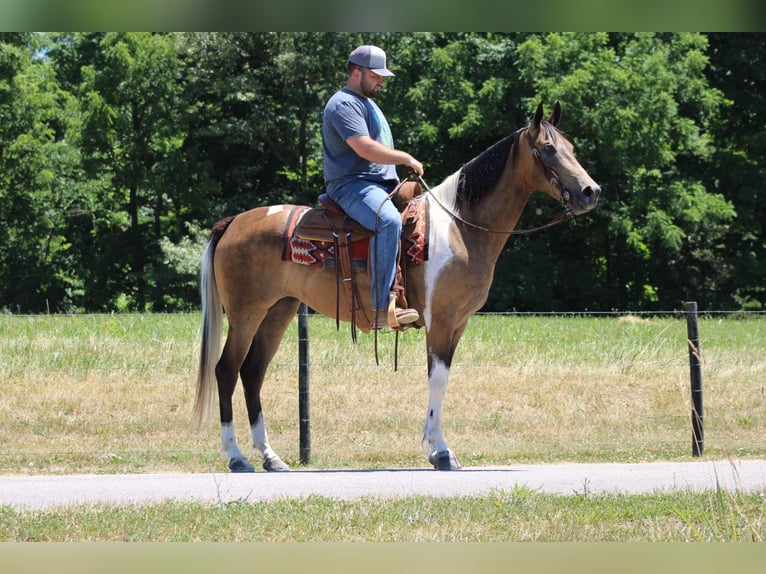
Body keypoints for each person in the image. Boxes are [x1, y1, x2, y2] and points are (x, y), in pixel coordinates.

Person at [321, 44, 423, 329]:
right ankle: (380, 309)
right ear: (356, 73)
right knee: (388, 221)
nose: (381, 80)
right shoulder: (343, 103)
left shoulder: (368, 104)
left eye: (383, 76)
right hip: (352, 185)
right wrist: (405, 157)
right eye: (376, 75)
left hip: (379, 185)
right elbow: (364, 148)